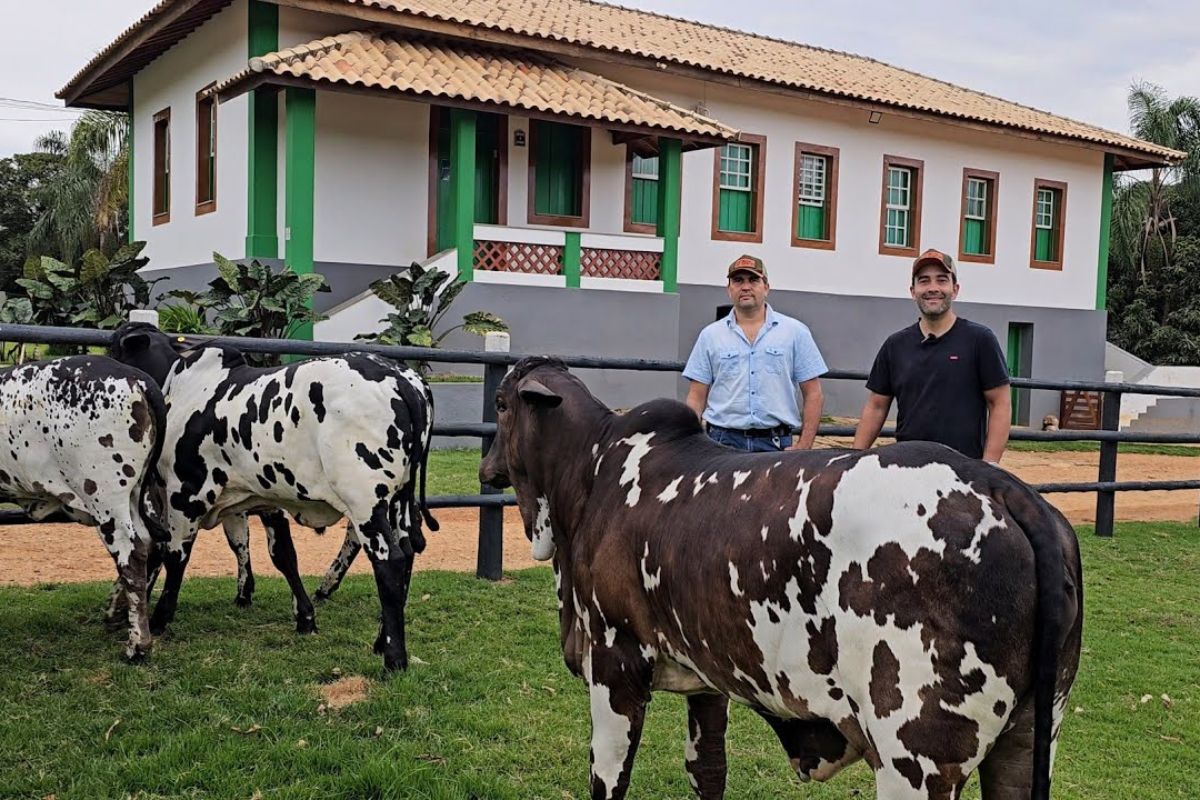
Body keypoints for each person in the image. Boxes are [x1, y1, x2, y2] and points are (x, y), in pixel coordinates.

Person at [852, 248, 1011, 463]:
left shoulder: (979, 340)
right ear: (913, 290)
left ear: (955, 289)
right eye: (924, 281)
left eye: (941, 280)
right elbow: (876, 406)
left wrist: (990, 466)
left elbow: (999, 403)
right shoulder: (895, 345)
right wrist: (854, 460)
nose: (933, 288)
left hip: (964, 472)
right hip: (908, 469)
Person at [683, 254, 827, 452]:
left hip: (775, 444)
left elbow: (813, 394)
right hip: (722, 442)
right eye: (738, 280)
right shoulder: (710, 335)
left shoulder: (795, 332)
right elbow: (696, 396)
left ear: (766, 287)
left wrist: (805, 444)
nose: (745, 287)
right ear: (729, 289)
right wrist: (692, 442)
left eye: (753, 280)